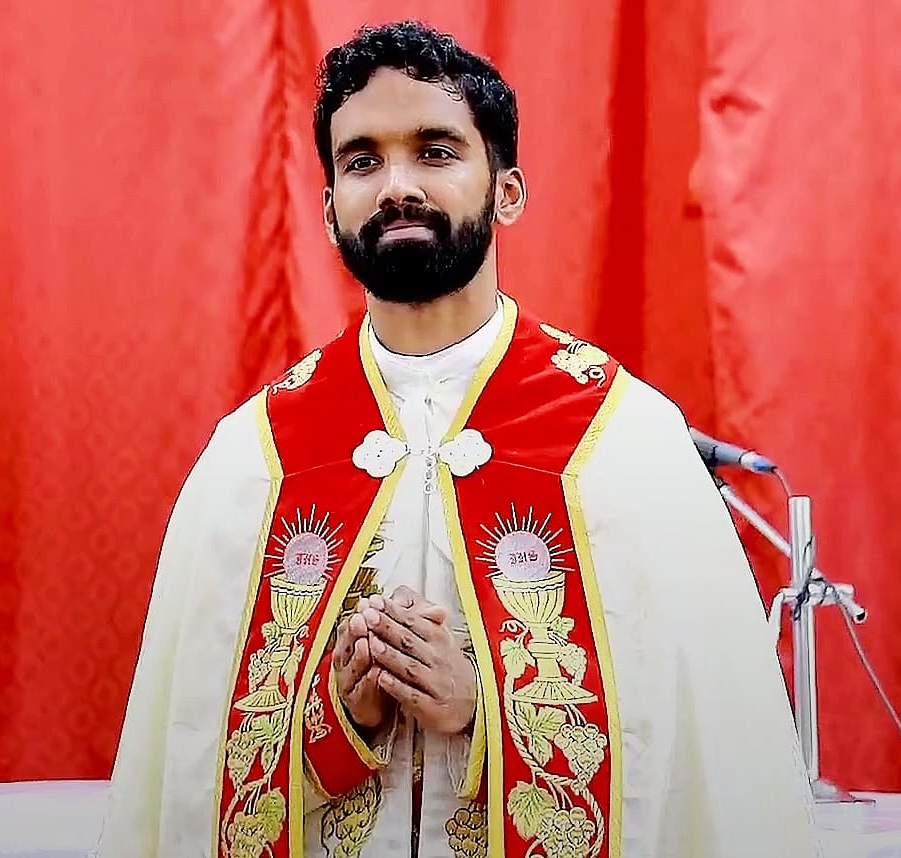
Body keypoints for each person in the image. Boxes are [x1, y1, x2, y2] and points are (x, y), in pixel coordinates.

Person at [96, 20, 821, 858]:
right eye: (361, 161)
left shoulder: (627, 444)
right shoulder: (249, 459)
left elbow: (706, 769)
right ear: (330, 211)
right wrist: (335, 710)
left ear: (506, 191)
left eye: (435, 151)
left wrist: (484, 712)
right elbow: (184, 763)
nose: (396, 184)